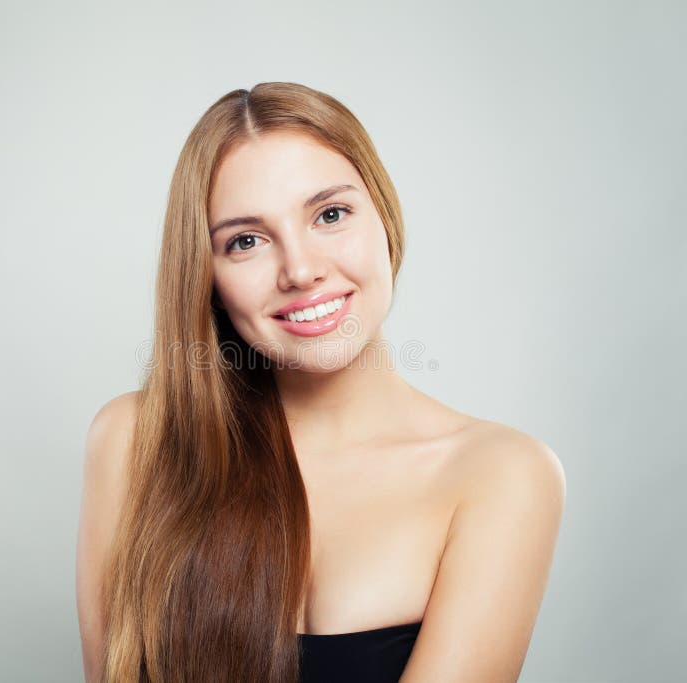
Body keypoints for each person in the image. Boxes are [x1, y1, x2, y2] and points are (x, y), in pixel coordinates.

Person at [76, 82, 566, 683]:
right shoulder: (134, 441)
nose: (301, 270)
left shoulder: (501, 475)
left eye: (330, 214)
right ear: (207, 279)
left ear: (384, 216)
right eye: (246, 241)